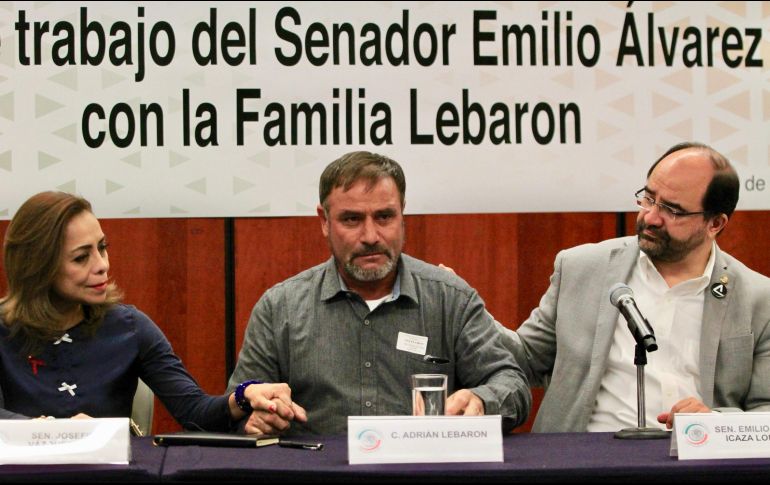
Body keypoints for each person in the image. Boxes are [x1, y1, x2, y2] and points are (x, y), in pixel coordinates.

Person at [227, 151, 531, 436]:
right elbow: (238, 405)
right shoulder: (281, 308)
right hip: (316, 470)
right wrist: (254, 418)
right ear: (324, 221)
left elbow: (513, 384)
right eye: (352, 219)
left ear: (402, 215)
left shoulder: (450, 299)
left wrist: (482, 400)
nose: (371, 236)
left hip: (425, 468)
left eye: (384, 217)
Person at [497, 141, 770, 432]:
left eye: (672, 210)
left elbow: (765, 408)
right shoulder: (582, 268)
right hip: (584, 452)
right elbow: (525, 358)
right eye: (649, 198)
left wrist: (715, 422)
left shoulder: (758, 299)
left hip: (693, 453)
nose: (650, 217)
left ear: (714, 223)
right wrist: (469, 312)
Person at [0, 191, 305, 433]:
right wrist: (47, 431)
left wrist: (244, 396)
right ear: (38, 267)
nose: (102, 265)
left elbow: (195, 412)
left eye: (102, 247)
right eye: (81, 258)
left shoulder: (130, 326)